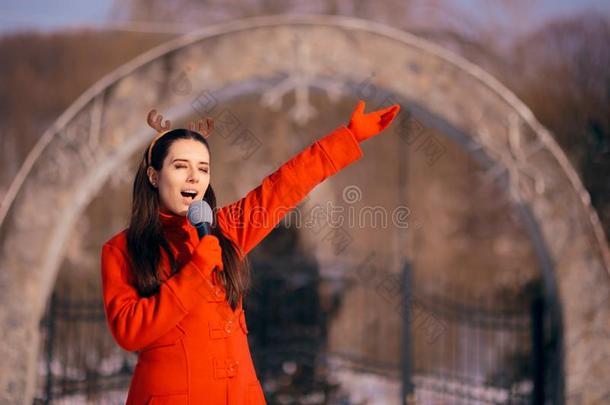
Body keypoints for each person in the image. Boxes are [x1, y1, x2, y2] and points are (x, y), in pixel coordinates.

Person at [100, 100, 400, 404]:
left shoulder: (226, 229)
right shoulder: (122, 250)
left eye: (203, 169)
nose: (194, 177)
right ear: (153, 175)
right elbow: (129, 331)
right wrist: (197, 269)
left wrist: (346, 138)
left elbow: (283, 187)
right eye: (181, 167)